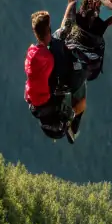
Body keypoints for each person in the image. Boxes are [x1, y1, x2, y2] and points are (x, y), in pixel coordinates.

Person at [25, 9, 85, 143]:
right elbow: (59, 73)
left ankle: (69, 121)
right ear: (48, 31)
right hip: (46, 101)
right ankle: (73, 124)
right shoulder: (49, 57)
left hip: (32, 99)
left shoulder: (31, 51)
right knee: (81, 100)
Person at [57, 0, 112, 86]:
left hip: (73, 57)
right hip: (90, 67)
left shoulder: (78, 17)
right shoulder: (101, 23)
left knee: (65, 30)